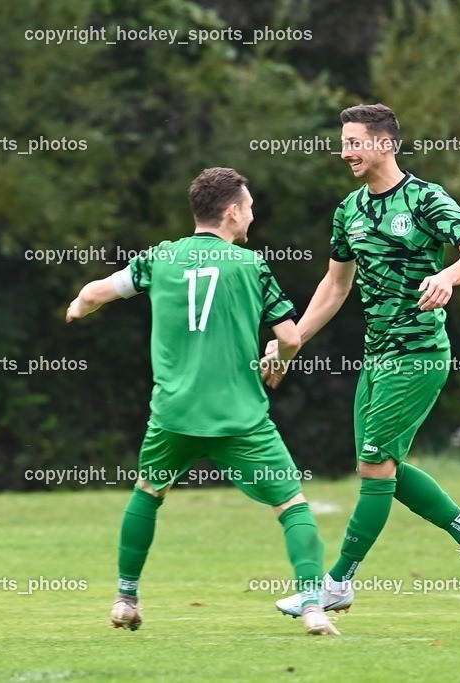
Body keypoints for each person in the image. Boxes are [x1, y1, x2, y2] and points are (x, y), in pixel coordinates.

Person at [66, 167, 339, 636]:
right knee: (292, 506)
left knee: (148, 496)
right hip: (240, 418)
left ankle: (126, 599)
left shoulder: (161, 258)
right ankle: (313, 605)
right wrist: (280, 359)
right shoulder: (252, 267)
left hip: (174, 413)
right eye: (249, 208)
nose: (252, 216)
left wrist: (77, 308)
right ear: (232, 212)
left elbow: (95, 292)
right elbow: (290, 336)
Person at [268, 104, 460, 617]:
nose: (345, 151)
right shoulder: (348, 210)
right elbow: (335, 284)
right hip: (377, 354)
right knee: (379, 466)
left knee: (377, 468)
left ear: (384, 144)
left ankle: (336, 584)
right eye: (344, 141)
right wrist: (293, 341)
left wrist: (447, 277)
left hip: (419, 353)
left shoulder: (424, 199)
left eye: (355, 142)